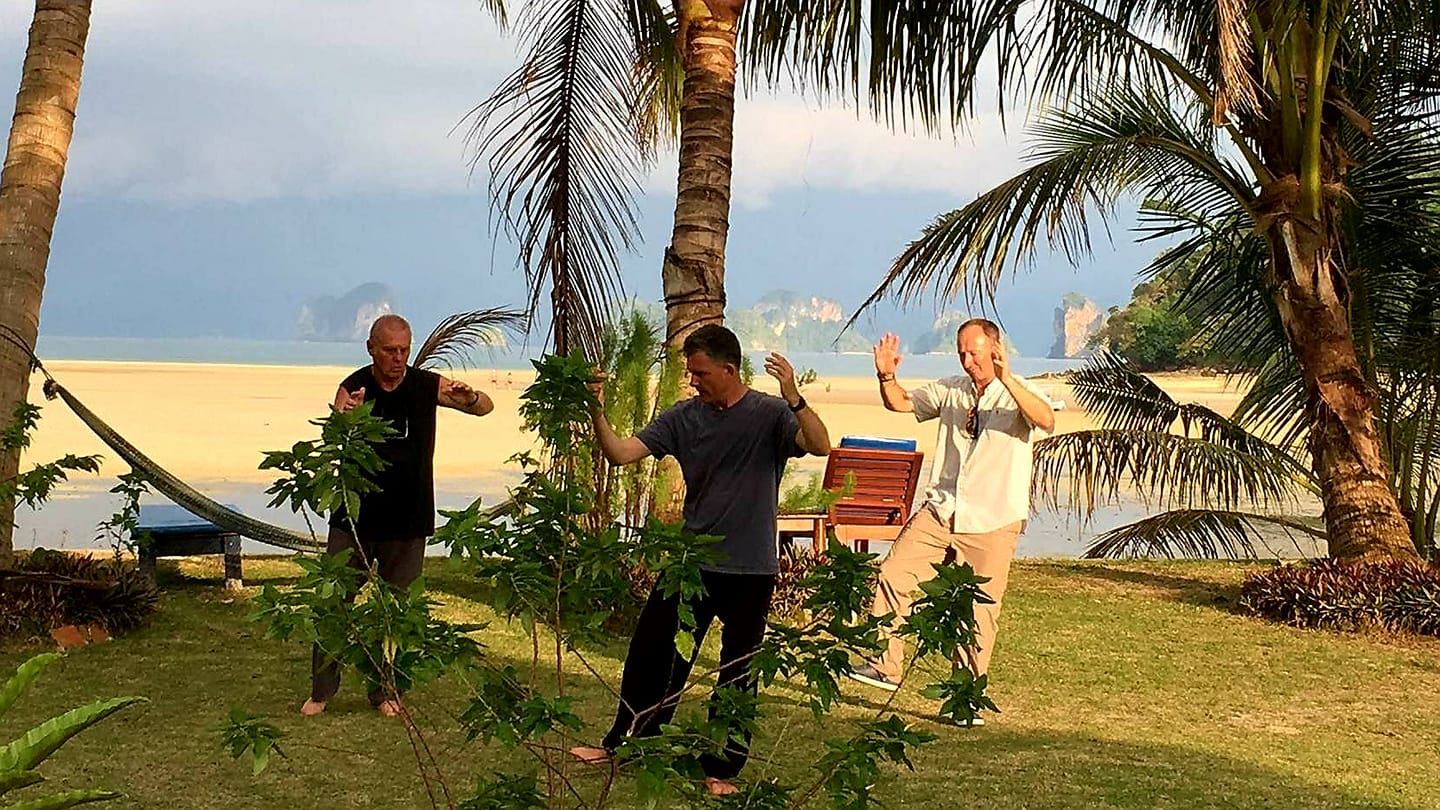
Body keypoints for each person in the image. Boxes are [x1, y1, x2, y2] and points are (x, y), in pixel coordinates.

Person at [569, 324, 831, 796]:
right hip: (691, 563)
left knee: (737, 669)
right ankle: (625, 743)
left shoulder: (769, 414)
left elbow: (820, 444)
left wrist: (793, 395)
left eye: (700, 372)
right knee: (651, 652)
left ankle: (722, 769)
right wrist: (597, 407)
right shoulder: (683, 418)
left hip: (750, 568)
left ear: (729, 370)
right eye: (690, 373)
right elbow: (620, 454)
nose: (693, 381)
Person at [847, 319, 1055, 724]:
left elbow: (1044, 419)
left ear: (994, 349)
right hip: (942, 509)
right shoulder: (951, 390)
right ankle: (885, 664)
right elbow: (900, 402)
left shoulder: (1020, 391)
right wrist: (886, 374)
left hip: (993, 519)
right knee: (893, 572)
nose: (967, 360)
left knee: (978, 612)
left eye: (974, 353)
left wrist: (1007, 378)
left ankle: (965, 701)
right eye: (961, 352)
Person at [300, 314, 495, 717]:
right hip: (353, 517)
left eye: (404, 350)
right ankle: (321, 692)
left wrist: (471, 396)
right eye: (390, 350)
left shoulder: (426, 385)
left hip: (408, 519)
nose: (398, 358)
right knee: (335, 604)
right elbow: (333, 434)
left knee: (397, 612)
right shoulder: (354, 386)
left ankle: (387, 690)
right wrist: (344, 418)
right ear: (371, 348)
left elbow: (485, 409)